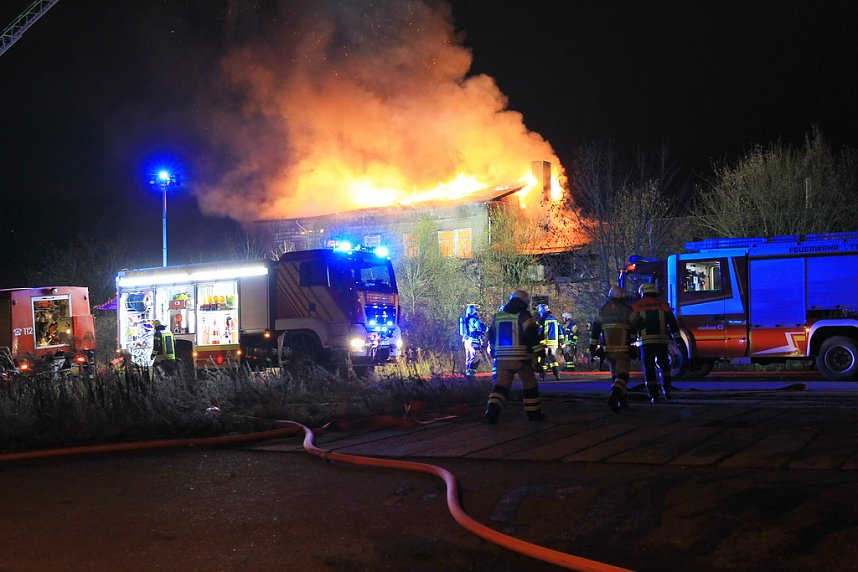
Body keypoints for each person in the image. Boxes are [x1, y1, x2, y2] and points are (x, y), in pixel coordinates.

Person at [484, 290, 546, 424]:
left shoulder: (498, 316)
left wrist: (494, 352)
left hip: (502, 359)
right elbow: (532, 337)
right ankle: (534, 414)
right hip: (521, 358)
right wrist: (540, 353)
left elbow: (491, 336)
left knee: (500, 386)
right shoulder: (524, 316)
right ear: (525, 302)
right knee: (530, 385)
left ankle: (492, 412)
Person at [590, 286, 637, 413]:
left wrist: (592, 349)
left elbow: (595, 331)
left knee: (615, 376)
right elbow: (637, 324)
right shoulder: (626, 310)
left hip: (608, 351)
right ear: (622, 297)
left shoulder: (602, 309)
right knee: (623, 377)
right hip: (623, 350)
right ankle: (614, 396)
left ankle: (621, 401)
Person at [632, 282, 681, 403]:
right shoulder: (663, 305)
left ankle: (653, 395)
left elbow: (632, 325)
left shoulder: (637, 306)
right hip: (661, 341)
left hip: (646, 342)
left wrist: (631, 339)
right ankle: (667, 391)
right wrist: (678, 339)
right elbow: (673, 323)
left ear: (643, 293)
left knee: (649, 368)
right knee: (664, 367)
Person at [535, 304, 561, 381]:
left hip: (544, 342)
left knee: (542, 358)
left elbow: (539, 331)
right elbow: (560, 330)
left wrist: (537, 340)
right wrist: (561, 341)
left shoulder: (542, 319)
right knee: (553, 358)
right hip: (553, 343)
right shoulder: (555, 319)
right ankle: (557, 373)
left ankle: (542, 375)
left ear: (542, 311)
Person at [460, 304, 486, 381]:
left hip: (466, 341)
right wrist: (487, 329)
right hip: (473, 341)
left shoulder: (466, 319)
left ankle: (467, 376)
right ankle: (471, 374)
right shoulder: (474, 319)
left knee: (468, 358)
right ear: (474, 311)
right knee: (476, 356)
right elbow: (482, 328)